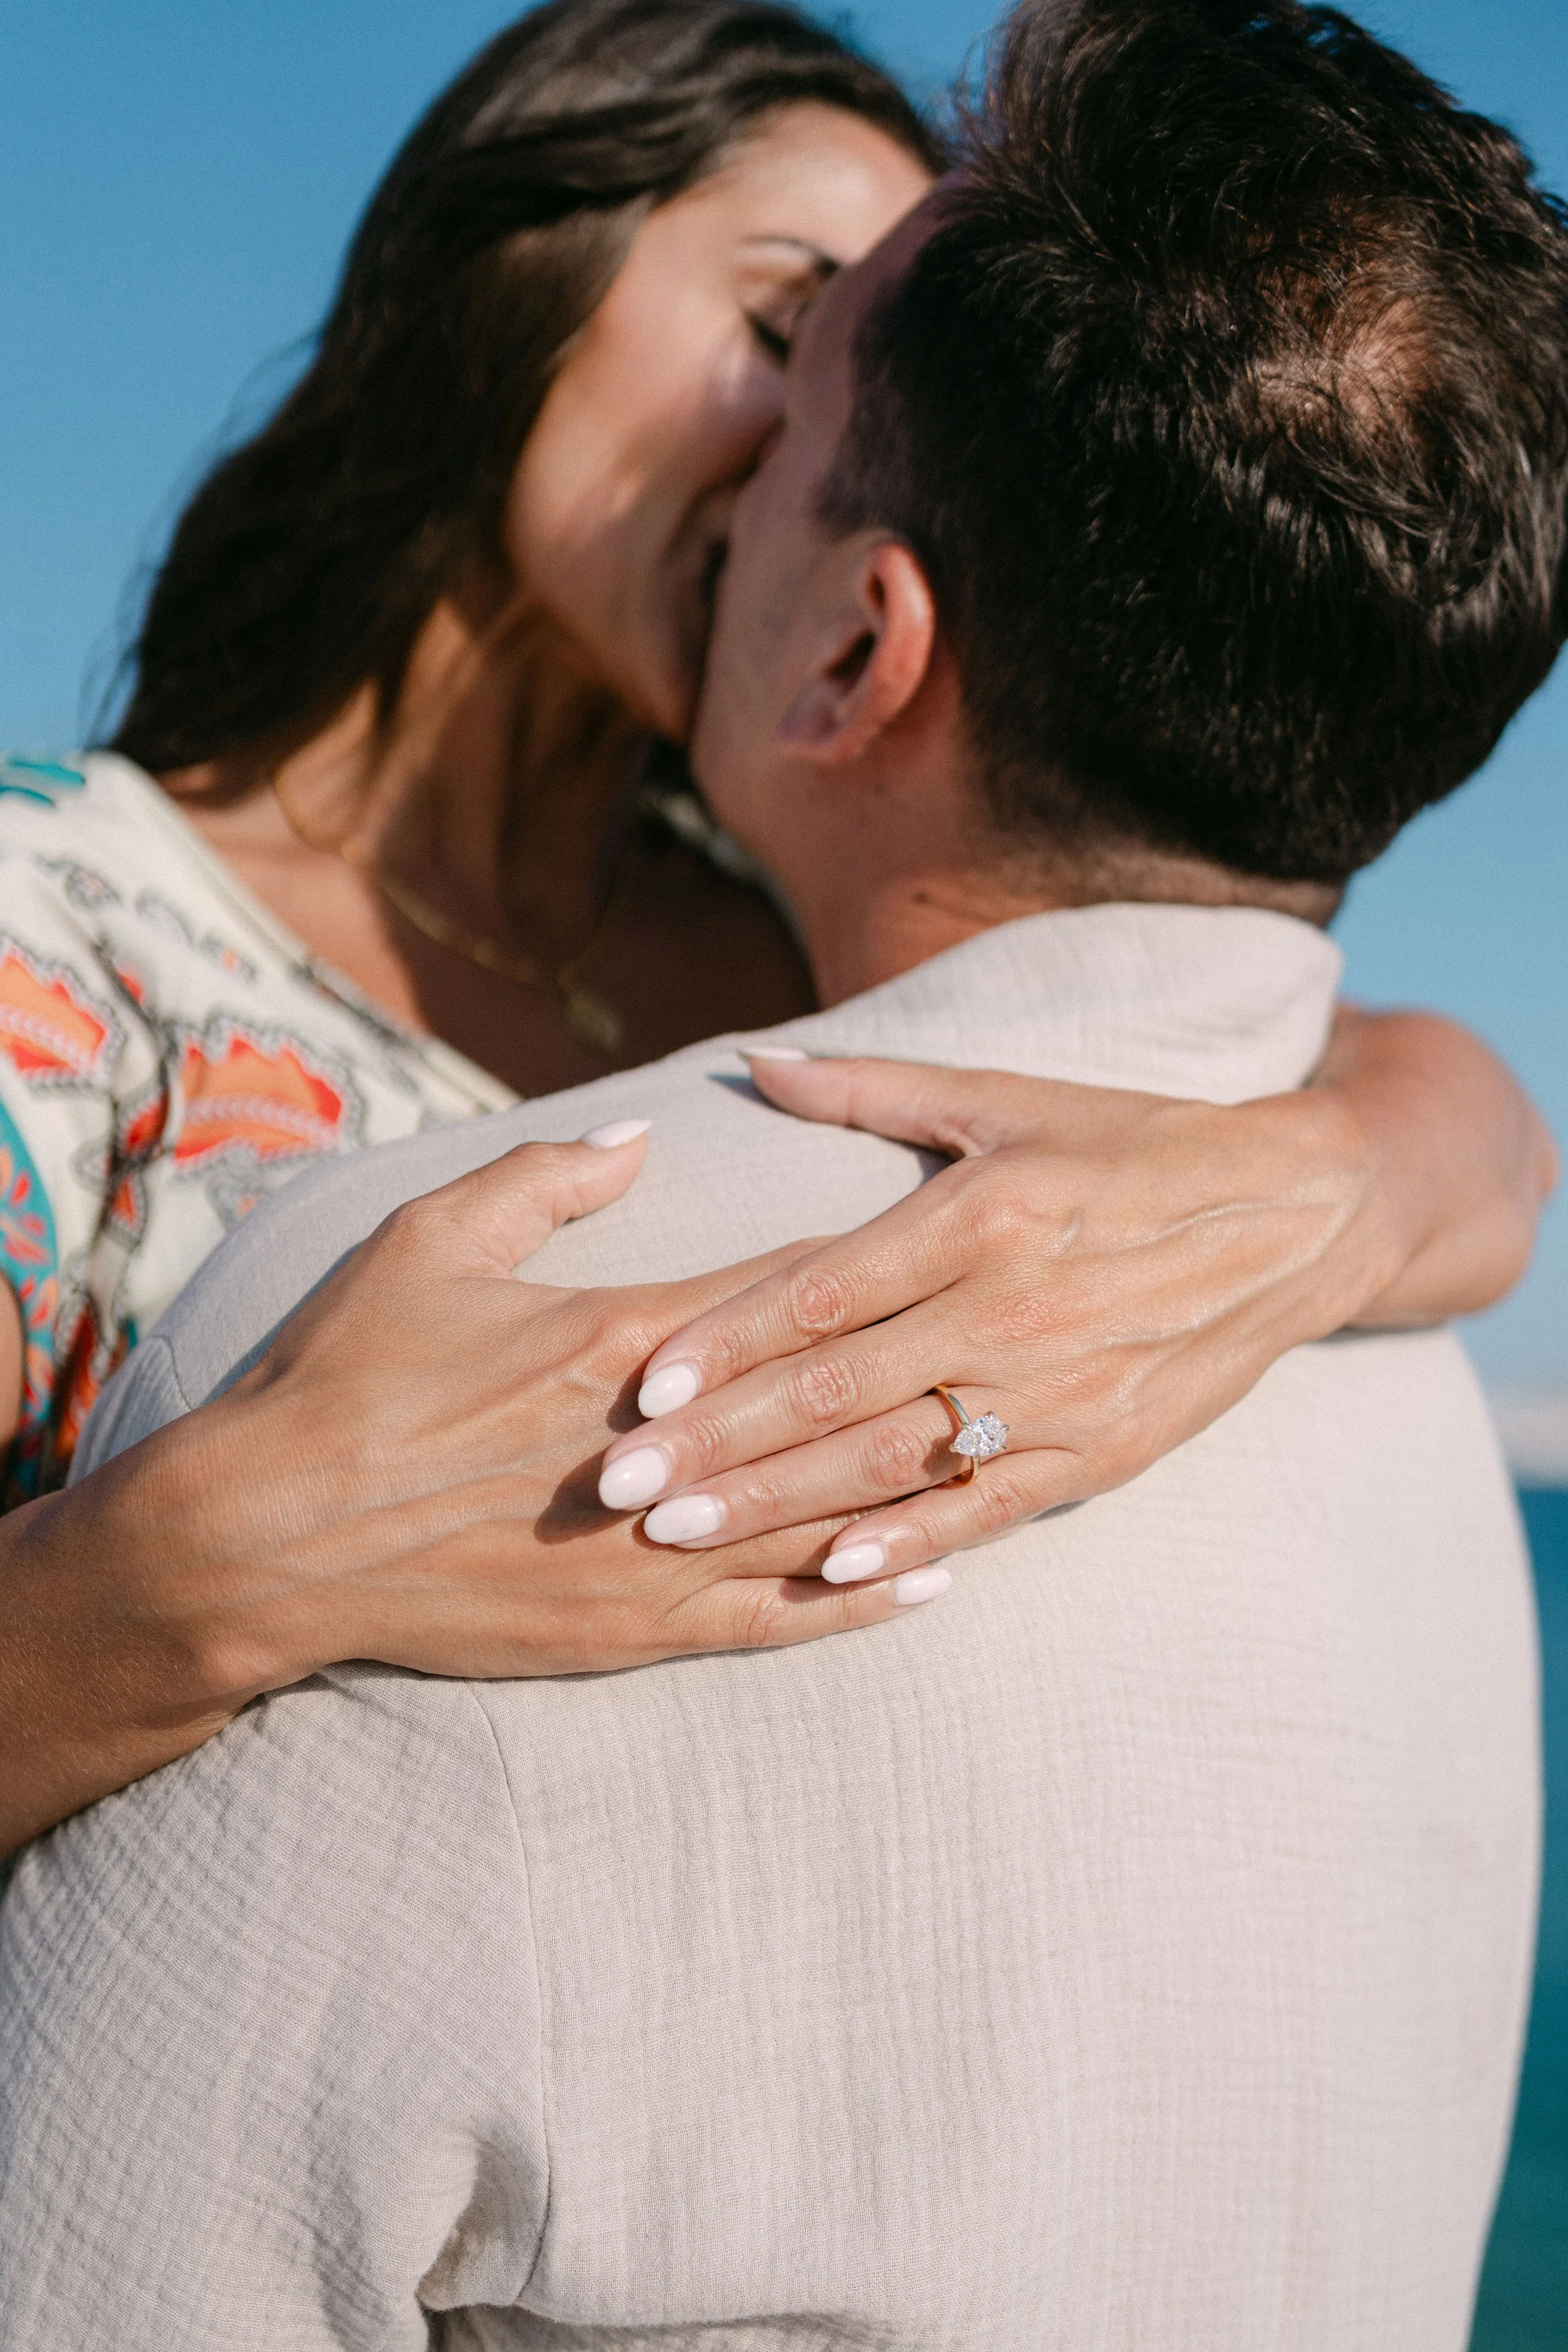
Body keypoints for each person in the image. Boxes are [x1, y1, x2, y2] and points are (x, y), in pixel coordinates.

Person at [4, 1, 1562, 2339]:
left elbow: (1354, 1050)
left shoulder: (782, 945)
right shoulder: (58, 951)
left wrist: (1329, 1182)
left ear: (866, 641)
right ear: (503, 280)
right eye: (777, 319)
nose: (789, 428)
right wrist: (202, 1565)